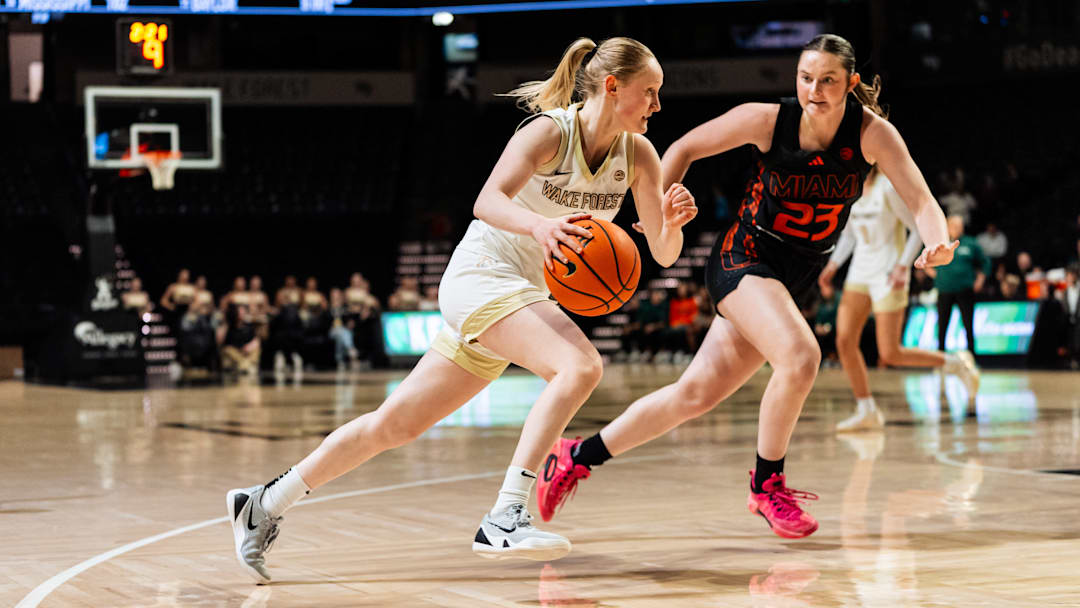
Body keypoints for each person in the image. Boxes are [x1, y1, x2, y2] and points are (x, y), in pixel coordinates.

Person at [226, 36, 696, 582]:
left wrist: (674, 224)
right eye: (650, 92)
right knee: (581, 366)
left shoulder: (638, 154)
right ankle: (506, 514)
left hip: (520, 295)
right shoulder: (549, 132)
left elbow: (662, 252)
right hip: (480, 277)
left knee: (394, 426)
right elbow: (487, 201)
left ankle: (261, 503)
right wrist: (538, 224)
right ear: (613, 87)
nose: (658, 105)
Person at [537, 34, 956, 540]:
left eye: (827, 80)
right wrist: (656, 212)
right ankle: (767, 484)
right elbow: (684, 147)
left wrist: (938, 243)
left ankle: (575, 457)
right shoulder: (768, 120)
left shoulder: (872, 134)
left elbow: (921, 200)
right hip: (744, 259)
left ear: (851, 83)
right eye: (805, 78)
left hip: (788, 279)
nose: (814, 90)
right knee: (801, 356)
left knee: (693, 394)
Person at [818, 171, 980, 432]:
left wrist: (903, 266)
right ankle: (866, 409)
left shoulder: (887, 188)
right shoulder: (848, 187)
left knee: (890, 353)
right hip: (860, 271)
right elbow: (849, 235)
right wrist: (833, 266)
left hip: (889, 272)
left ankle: (954, 363)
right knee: (844, 340)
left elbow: (916, 228)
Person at [924, 216, 988, 355]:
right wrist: (936, 275)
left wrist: (980, 280)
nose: (957, 228)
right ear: (947, 226)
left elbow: (985, 262)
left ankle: (971, 356)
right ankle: (940, 357)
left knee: (968, 323)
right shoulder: (939, 243)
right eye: (953, 225)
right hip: (944, 289)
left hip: (964, 289)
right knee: (942, 324)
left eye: (959, 225)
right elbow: (924, 260)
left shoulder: (971, 243)